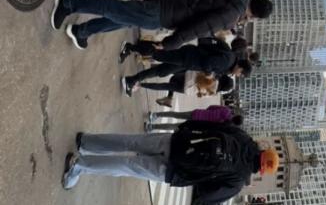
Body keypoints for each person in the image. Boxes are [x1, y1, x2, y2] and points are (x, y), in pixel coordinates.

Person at [62, 121, 280, 205]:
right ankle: (78, 165)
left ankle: (86, 142)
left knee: (131, 141)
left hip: (179, 141)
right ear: (261, 170)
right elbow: (206, 197)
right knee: (127, 166)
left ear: (263, 151)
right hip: (176, 170)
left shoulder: (243, 138)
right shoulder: (238, 180)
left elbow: (214, 125)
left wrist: (186, 127)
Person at [51, 0, 273, 50]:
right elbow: (199, 27)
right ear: (254, 16)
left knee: (125, 19)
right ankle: (70, 2)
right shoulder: (232, 14)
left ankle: (83, 30)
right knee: (118, 10)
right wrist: (171, 43)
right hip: (167, 14)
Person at [120, 40, 252, 95]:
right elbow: (208, 63)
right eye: (241, 74)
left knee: (161, 71)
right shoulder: (227, 61)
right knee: (158, 54)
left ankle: (132, 80)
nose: (238, 75)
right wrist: (208, 74)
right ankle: (130, 47)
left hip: (188, 61)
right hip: (188, 57)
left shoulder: (230, 61)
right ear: (240, 68)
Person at [140, 73, 234, 109]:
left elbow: (201, 73)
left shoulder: (213, 78)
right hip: (187, 89)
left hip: (188, 79)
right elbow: (200, 95)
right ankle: (169, 98)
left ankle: (140, 84)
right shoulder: (213, 93)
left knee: (169, 82)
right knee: (169, 82)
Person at [145, 105, 242, 133]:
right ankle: (152, 127)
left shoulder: (226, 110)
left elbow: (211, 107)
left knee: (176, 114)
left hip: (198, 113)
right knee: (175, 126)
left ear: (236, 115)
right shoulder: (224, 125)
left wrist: (206, 112)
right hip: (197, 123)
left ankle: (155, 115)